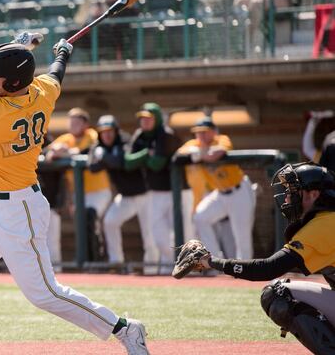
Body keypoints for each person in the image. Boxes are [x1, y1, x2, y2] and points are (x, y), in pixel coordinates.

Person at [0, 36, 149, 355]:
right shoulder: (42, 92)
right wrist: (60, 53)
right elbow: (56, 73)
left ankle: (123, 328)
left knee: (43, 293)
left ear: (15, 81)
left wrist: (20, 46)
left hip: (21, 208)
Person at [179, 162, 335, 354]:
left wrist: (209, 261)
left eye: (293, 190)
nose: (287, 198)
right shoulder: (328, 220)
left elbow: (267, 268)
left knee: (277, 293)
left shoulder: (323, 225)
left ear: (313, 194)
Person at [176, 117, 256, 260]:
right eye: (198, 132)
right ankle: (215, 260)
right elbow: (179, 153)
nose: (200, 135)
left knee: (242, 237)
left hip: (239, 191)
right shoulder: (194, 143)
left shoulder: (221, 139)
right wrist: (197, 151)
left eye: (204, 132)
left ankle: (245, 272)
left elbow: (216, 154)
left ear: (213, 132)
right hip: (220, 194)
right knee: (200, 218)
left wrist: (199, 154)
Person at [46, 107, 112, 262]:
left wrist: (66, 152)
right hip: (78, 194)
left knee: (91, 219)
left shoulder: (92, 135)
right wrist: (55, 150)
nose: (73, 125)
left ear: (85, 124)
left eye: (77, 122)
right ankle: (89, 262)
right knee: (83, 227)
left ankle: (99, 260)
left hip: (99, 191)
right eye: (72, 121)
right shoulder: (66, 138)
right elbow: (46, 152)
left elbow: (87, 151)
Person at [90, 115, 155, 270]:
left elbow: (120, 162)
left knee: (149, 234)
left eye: (110, 131)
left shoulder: (126, 140)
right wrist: (103, 156)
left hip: (145, 194)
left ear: (116, 131)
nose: (107, 135)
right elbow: (92, 167)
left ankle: (152, 268)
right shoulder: (98, 145)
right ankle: (116, 261)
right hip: (125, 196)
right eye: (103, 132)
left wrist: (104, 156)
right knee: (110, 222)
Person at [124, 103, 179, 275]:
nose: (145, 121)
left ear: (157, 119)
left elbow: (158, 164)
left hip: (178, 191)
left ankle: (186, 270)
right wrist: (146, 154)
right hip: (155, 191)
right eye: (143, 118)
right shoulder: (140, 135)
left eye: (149, 118)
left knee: (182, 233)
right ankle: (172, 265)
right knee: (157, 234)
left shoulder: (166, 134)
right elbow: (128, 162)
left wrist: (144, 158)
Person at [37, 134, 65, 266]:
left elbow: (61, 148)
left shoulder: (49, 141)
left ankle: (56, 270)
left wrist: (53, 151)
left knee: (52, 240)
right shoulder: (23, 140)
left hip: (51, 200)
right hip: (32, 201)